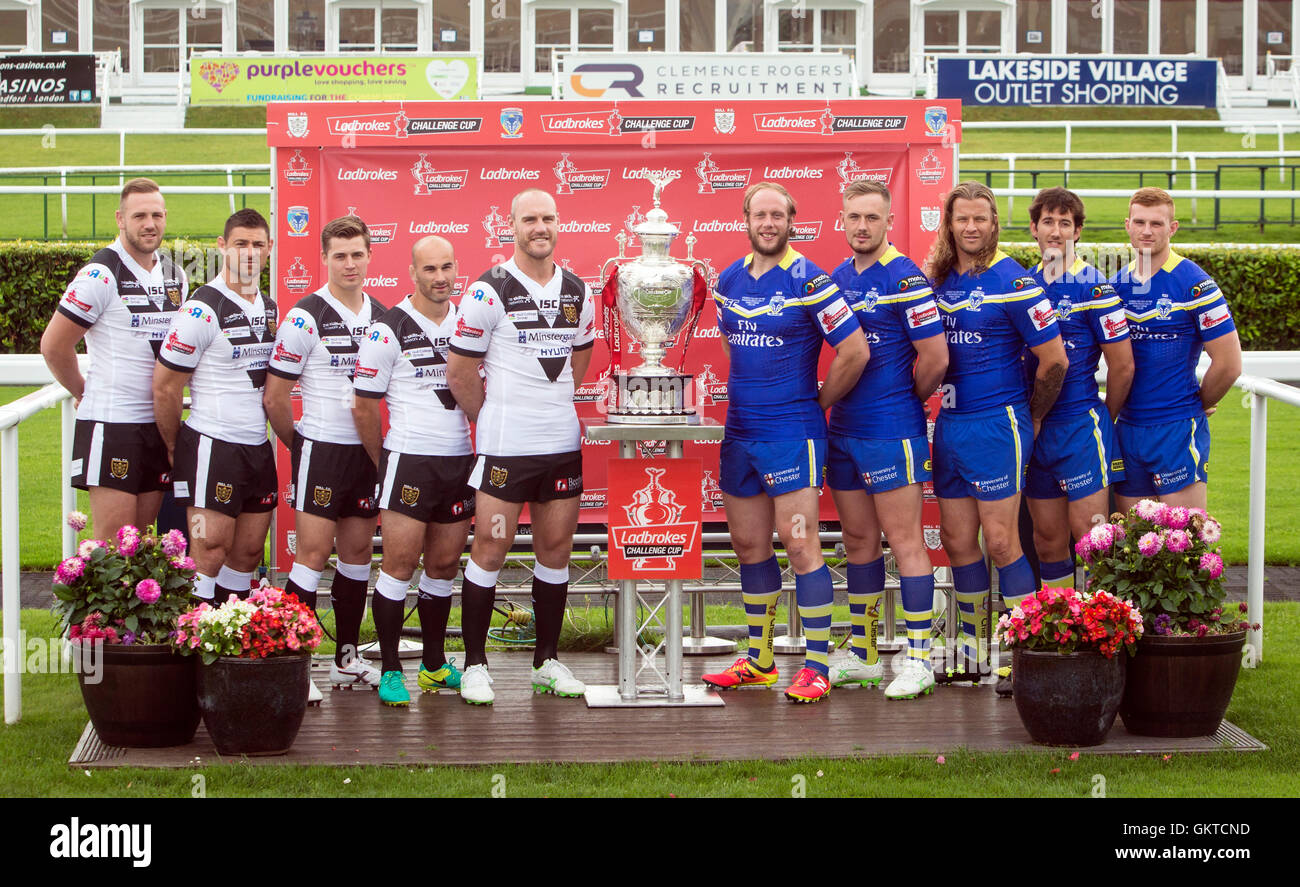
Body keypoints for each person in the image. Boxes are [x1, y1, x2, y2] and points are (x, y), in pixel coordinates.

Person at [700, 182, 869, 704]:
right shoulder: (728, 278)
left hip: (793, 433)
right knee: (750, 547)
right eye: (760, 215)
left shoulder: (811, 279)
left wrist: (813, 405)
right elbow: (733, 341)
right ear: (745, 219)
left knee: (799, 545)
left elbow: (855, 351)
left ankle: (817, 666)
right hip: (742, 433)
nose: (768, 223)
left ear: (792, 220)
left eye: (778, 215)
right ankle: (760, 661)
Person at [446, 188, 596, 706]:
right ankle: (475, 665)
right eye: (530, 219)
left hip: (559, 444)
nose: (540, 227)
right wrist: (490, 416)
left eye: (548, 218)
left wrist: (548, 406)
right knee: (489, 550)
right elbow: (461, 372)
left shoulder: (579, 289)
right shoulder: (487, 291)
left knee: (555, 553)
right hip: (505, 447)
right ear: (510, 226)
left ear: (558, 224)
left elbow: (579, 363)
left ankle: (547, 662)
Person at [927, 181, 1068, 694]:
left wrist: (1030, 417)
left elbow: (1055, 360)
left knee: (1004, 541)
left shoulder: (1016, 280)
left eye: (980, 219)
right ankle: (970, 651)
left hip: (998, 425)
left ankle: (1024, 652)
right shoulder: (937, 279)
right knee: (958, 542)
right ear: (950, 224)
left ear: (994, 224)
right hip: (950, 425)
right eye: (961, 219)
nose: (970, 228)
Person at [824, 180, 949, 700]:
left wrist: (903, 399)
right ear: (842, 219)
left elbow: (937, 359)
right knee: (857, 542)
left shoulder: (907, 278)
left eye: (871, 218)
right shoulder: (835, 276)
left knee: (905, 543)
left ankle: (918, 658)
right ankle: (866, 654)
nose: (861, 227)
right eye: (854, 217)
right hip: (844, 431)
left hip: (891, 429)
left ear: (889, 221)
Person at [265, 216, 385, 691]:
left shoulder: (382, 315)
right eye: (340, 255)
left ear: (370, 255)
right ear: (324, 258)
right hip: (319, 450)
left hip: (365, 453)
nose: (350, 264)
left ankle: (346, 659)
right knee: (311, 557)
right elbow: (275, 398)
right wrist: (300, 445)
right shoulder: (304, 316)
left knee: (357, 557)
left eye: (357, 254)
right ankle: (296, 666)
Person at [352, 236, 472, 706]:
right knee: (399, 568)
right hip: (408, 461)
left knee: (443, 567)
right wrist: (384, 462)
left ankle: (434, 665)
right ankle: (389, 670)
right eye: (429, 269)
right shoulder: (387, 328)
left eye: (446, 268)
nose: (439, 278)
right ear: (412, 273)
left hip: (459, 460)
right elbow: (363, 407)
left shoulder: (470, 320)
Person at [40, 178, 187, 540]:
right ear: (120, 219)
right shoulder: (99, 274)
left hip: (156, 424)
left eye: (156, 214)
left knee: (143, 542)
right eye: (139, 216)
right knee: (113, 543)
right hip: (112, 422)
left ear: (165, 217)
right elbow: (54, 346)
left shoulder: (176, 274)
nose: (149, 224)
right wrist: (82, 390)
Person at [153, 209, 278, 604]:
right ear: (222, 247)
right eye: (240, 243)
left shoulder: (269, 307)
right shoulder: (200, 308)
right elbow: (165, 387)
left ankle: (230, 651)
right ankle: (195, 655)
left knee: (246, 555)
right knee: (210, 552)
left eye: (258, 244)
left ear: (270, 249)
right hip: (213, 443)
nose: (249, 252)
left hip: (258, 447)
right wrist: (176, 446)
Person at [1024, 188, 1134, 590]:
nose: (1056, 231)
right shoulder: (1023, 284)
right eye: (1048, 222)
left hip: (1080, 428)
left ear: (1078, 231)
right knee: (1047, 540)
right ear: (1034, 228)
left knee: (1093, 540)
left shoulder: (1095, 287)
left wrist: (1107, 415)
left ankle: (1102, 636)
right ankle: (1059, 630)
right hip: (1034, 431)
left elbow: (1122, 366)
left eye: (1065, 223)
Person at [1110, 187, 1242, 514]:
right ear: (1127, 225)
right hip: (1127, 430)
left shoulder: (1195, 284)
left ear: (1173, 228)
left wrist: (1197, 404)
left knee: (1186, 547)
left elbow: (1228, 364)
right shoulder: (1114, 285)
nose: (1146, 231)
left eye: (1156, 224)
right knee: (1133, 550)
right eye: (1139, 222)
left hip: (1177, 430)